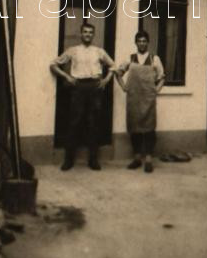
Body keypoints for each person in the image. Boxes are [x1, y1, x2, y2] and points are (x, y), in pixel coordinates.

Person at [50, 22, 115, 171]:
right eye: (85, 32)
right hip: (78, 87)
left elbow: (113, 66)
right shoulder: (73, 50)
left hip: (94, 87)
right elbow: (53, 65)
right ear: (81, 34)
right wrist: (67, 76)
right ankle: (68, 160)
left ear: (93, 35)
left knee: (93, 123)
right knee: (74, 122)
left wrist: (105, 80)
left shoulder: (99, 51)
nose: (88, 35)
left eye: (90, 32)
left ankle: (93, 160)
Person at [116, 31, 165, 173]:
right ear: (136, 43)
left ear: (148, 43)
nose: (142, 43)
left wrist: (156, 91)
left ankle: (148, 159)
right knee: (135, 129)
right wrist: (124, 87)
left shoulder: (155, 59)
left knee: (149, 129)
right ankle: (137, 158)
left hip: (148, 99)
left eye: (144, 41)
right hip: (134, 99)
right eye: (139, 41)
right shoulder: (130, 58)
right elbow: (118, 73)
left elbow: (162, 77)